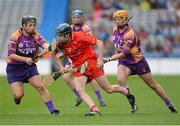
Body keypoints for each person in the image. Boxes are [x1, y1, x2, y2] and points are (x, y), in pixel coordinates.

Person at [52, 23, 136, 116]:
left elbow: (99, 43)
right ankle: (95, 109)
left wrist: (100, 59)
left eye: (60, 35)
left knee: (109, 89)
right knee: (80, 90)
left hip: (92, 63)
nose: (58, 37)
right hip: (78, 67)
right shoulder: (60, 43)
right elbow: (53, 54)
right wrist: (61, 67)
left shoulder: (80, 36)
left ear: (67, 34)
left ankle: (126, 92)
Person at [104, 10, 177, 113]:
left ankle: (168, 103)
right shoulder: (115, 29)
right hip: (124, 62)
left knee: (153, 85)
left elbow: (124, 52)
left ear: (125, 19)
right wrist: (115, 57)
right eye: (116, 19)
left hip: (138, 61)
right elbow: (118, 48)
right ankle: (133, 103)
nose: (117, 21)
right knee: (121, 80)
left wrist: (109, 59)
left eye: (120, 19)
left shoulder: (130, 34)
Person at [6, 15, 60, 115]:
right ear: (24, 26)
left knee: (41, 87)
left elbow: (46, 46)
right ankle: (17, 98)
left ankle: (53, 111)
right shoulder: (15, 36)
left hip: (29, 67)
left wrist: (50, 47)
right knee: (19, 95)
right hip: (14, 68)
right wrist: (26, 59)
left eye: (34, 25)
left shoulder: (36, 35)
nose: (32, 27)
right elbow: (11, 54)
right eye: (30, 25)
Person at [61, 10, 106, 107]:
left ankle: (100, 98)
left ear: (82, 18)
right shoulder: (68, 29)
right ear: (72, 19)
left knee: (92, 78)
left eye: (78, 17)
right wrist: (64, 53)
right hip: (73, 57)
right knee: (65, 77)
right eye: (74, 18)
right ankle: (78, 95)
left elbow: (91, 41)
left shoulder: (86, 29)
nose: (76, 19)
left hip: (84, 55)